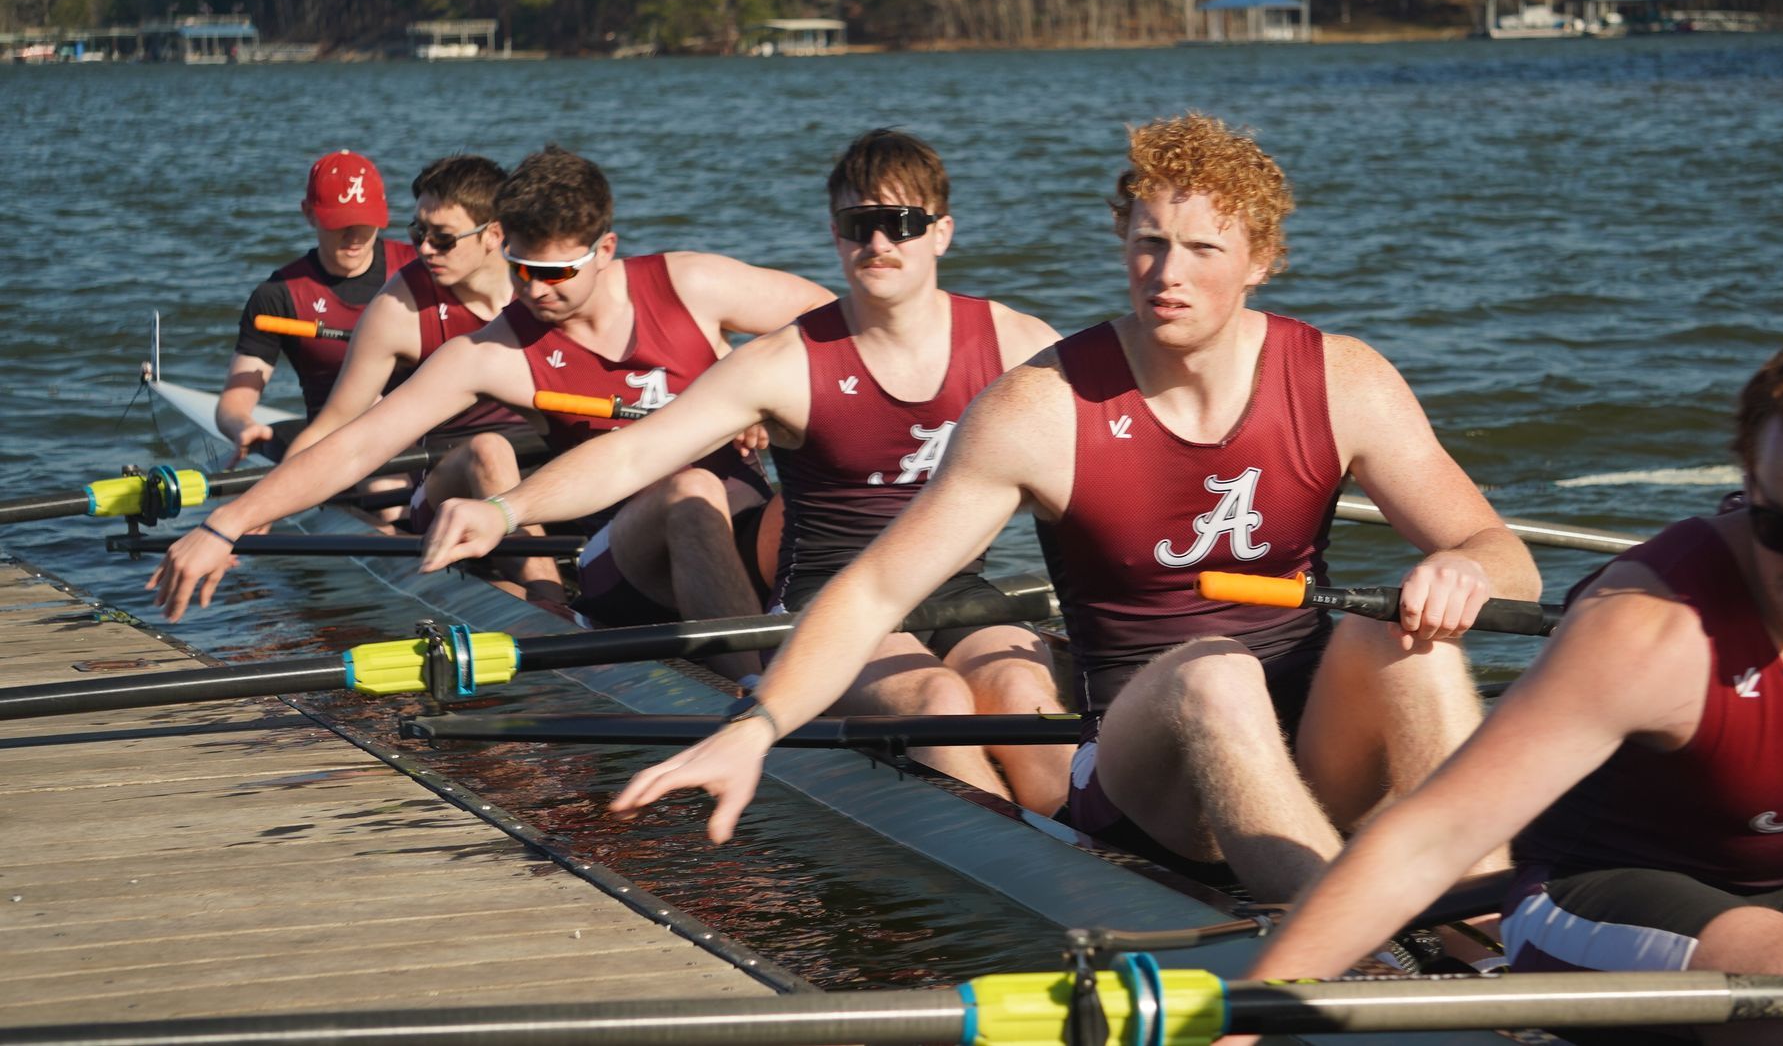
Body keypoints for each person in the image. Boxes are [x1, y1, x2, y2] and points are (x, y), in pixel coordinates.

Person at [599, 113, 1540, 904]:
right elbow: (874, 590)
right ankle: (1344, 960)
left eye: (1203, 248)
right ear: (1122, 244)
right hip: (1147, 775)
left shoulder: (1345, 378)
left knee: (1408, 640)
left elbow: (1504, 555)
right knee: (1215, 672)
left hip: (1313, 736)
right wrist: (754, 725)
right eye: (1147, 242)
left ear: (1259, 260)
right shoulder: (1041, 408)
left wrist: (1461, 567)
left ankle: (1492, 930)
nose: (1166, 272)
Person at [1241, 307, 1783, 1045]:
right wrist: (1247, 1013)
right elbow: (1431, 837)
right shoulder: (1649, 624)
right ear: (1750, 480)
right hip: (1587, 896)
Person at [420, 129, 1073, 812]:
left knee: (1025, 699)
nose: (879, 243)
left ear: (940, 232)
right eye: (860, 225)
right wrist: (506, 509)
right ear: (835, 234)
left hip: (959, 588)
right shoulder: (782, 361)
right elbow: (637, 452)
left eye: (900, 223)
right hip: (832, 601)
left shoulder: (1019, 342)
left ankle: (1092, 857)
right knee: (938, 701)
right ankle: (1029, 875)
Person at [150, 145, 832, 672]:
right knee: (690, 488)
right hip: (619, 556)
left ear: (606, 250)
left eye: (555, 273)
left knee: (829, 495)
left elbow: (839, 325)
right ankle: (758, 698)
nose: (534, 292)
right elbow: (360, 443)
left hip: (742, 521)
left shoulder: (694, 283)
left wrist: (765, 397)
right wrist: (227, 523)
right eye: (521, 268)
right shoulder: (497, 351)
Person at [275, 155, 556, 597]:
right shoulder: (398, 309)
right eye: (418, 232)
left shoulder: (546, 286)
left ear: (494, 235)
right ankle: (551, 600)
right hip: (447, 482)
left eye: (442, 239)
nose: (424, 248)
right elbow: (334, 425)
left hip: (548, 474)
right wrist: (256, 514)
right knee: (489, 450)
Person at [218, 150, 417, 462]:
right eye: (340, 223)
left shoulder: (420, 267)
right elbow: (234, 401)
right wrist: (241, 426)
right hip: (336, 446)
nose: (354, 236)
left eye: (365, 222)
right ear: (308, 213)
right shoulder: (278, 295)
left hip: (424, 431)